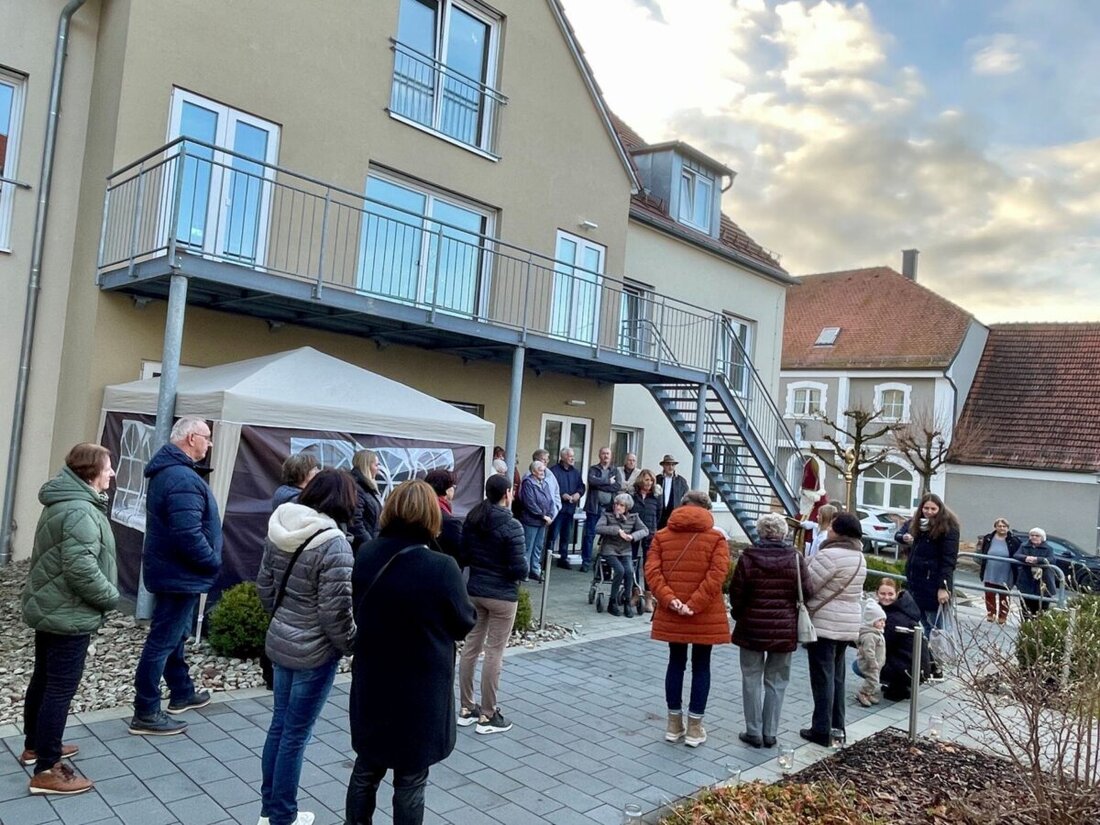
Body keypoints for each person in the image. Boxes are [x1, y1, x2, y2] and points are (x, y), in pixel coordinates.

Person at [346, 481, 476, 825]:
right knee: (410, 776)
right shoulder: (441, 566)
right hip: (421, 686)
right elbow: (464, 622)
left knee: (367, 766)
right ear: (432, 515)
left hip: (374, 675)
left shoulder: (368, 553)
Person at [256, 470, 356, 825]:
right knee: (295, 735)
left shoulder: (280, 524)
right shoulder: (334, 543)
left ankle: (270, 810)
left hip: (281, 640)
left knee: (280, 726)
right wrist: (349, 645)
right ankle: (283, 815)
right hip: (315, 652)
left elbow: (264, 586)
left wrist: (283, 619)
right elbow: (336, 611)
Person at [21, 444, 120, 795]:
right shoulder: (80, 510)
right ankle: (48, 768)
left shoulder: (65, 501)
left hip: (52, 605)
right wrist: (111, 598)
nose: (111, 474)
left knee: (44, 678)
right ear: (92, 472)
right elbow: (80, 568)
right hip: (68, 610)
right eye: (108, 468)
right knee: (59, 687)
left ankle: (35, 745)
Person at [131, 416, 221, 736]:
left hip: (172, 571)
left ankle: (181, 691)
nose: (209, 444)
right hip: (179, 573)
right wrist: (211, 561)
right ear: (191, 438)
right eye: (207, 437)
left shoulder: (171, 472)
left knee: (174, 634)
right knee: (163, 639)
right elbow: (187, 533)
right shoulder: (181, 477)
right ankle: (146, 710)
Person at [645, 491, 730, 748]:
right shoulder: (717, 538)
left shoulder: (661, 536)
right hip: (703, 613)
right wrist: (693, 605)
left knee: (676, 663)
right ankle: (694, 728)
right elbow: (718, 576)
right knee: (702, 666)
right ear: (706, 510)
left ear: (682, 507)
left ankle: (673, 725)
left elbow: (652, 572)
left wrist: (671, 601)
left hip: (672, 612)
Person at [728, 512, 806, 749]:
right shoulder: (795, 558)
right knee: (777, 680)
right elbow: (808, 591)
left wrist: (738, 614)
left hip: (752, 626)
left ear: (760, 533)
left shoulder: (748, 557)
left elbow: (736, 592)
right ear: (783, 534)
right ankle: (770, 732)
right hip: (784, 628)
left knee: (751, 678)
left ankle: (753, 731)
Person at [457, 474, 527, 734]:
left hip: (475, 590)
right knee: (494, 652)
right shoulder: (512, 526)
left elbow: (463, 555)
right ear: (507, 493)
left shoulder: (473, 520)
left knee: (471, 647)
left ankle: (466, 707)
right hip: (502, 595)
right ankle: (488, 714)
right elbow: (520, 568)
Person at [800, 511, 865, 748]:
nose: (827, 529)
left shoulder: (830, 555)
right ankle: (838, 727)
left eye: (832, 527)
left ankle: (821, 729)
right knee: (838, 678)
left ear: (839, 531)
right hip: (847, 624)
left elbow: (809, 586)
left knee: (822, 679)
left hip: (825, 624)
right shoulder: (859, 556)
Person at [895, 493, 960, 639]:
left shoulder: (949, 527)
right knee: (922, 623)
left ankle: (937, 658)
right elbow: (899, 534)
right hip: (916, 581)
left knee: (936, 628)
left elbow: (949, 560)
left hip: (934, 583)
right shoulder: (917, 523)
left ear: (940, 508)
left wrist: (944, 587)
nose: (929, 512)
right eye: (926, 508)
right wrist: (904, 537)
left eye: (933, 509)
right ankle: (925, 657)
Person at [595, 493, 648, 617]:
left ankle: (626, 602)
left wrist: (633, 536)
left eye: (621, 505)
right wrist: (617, 530)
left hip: (625, 550)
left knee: (629, 572)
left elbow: (644, 530)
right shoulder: (607, 515)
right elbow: (598, 528)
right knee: (620, 570)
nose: (617, 507)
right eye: (616, 504)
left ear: (627, 508)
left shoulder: (634, 517)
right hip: (609, 549)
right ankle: (612, 602)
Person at [877, 578, 930, 702]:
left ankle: (898, 686)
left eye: (890, 594)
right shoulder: (906, 608)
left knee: (860, 664)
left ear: (897, 593)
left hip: (909, 670)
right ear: (876, 593)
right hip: (916, 667)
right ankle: (897, 685)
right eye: (883, 594)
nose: (886, 597)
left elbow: (883, 644)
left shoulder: (895, 617)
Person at [580, 447, 622, 572]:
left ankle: (602, 564)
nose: (606, 456)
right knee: (589, 535)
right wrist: (607, 482)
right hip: (594, 507)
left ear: (611, 456)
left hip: (609, 509)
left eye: (608, 454)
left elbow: (617, 486)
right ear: (599, 455)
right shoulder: (593, 469)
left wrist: (602, 486)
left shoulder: (614, 470)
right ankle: (586, 563)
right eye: (603, 453)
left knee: (607, 537)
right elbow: (592, 481)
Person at [978, 518, 1021, 624]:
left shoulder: (1014, 540)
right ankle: (991, 614)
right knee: (989, 593)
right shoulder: (988, 538)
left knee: (1004, 595)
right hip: (990, 569)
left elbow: (1018, 554)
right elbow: (982, 551)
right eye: (999, 526)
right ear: (995, 527)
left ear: (1007, 528)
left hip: (1006, 571)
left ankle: (1002, 616)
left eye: (1004, 526)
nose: (1002, 528)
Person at [517, 460, 554, 582]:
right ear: (533, 471)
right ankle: (525, 572)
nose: (543, 472)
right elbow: (530, 503)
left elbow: (550, 500)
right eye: (540, 470)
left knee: (538, 547)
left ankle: (535, 570)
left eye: (543, 470)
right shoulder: (528, 483)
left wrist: (550, 515)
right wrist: (543, 515)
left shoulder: (544, 483)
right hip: (531, 520)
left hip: (543, 522)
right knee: (528, 547)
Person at [548, 448, 584, 570]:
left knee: (566, 536)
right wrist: (562, 494)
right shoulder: (553, 471)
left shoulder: (576, 472)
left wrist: (578, 494)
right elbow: (550, 488)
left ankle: (563, 559)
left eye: (573, 456)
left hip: (570, 509)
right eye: (569, 456)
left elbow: (581, 486)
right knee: (552, 535)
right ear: (563, 457)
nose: (572, 458)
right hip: (558, 509)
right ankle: (546, 560)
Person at [631, 470, 662, 601]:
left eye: (651, 480)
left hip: (650, 534)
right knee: (633, 563)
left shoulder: (656, 497)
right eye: (646, 480)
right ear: (640, 480)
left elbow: (659, 515)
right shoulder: (633, 495)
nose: (649, 483)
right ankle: (635, 592)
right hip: (634, 533)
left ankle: (649, 596)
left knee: (648, 565)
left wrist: (653, 528)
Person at [1015, 527, 1056, 619]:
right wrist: (1026, 558)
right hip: (1026, 581)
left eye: (1037, 536)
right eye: (1032, 535)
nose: (1034, 537)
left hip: (1044, 582)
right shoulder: (1024, 546)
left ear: (1042, 537)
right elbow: (1016, 555)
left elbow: (1052, 559)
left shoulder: (1048, 548)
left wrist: (1037, 559)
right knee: (1026, 608)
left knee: (1041, 610)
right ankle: (1026, 627)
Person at [424, 468, 463, 562]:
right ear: (446, 490)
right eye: (453, 486)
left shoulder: (420, 511)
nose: (454, 489)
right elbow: (461, 554)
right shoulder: (450, 522)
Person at [854, 600, 887, 707]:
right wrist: (872, 663)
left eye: (883, 620)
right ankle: (863, 693)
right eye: (879, 620)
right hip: (870, 664)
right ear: (871, 621)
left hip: (876, 663)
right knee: (873, 680)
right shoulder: (870, 635)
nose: (882, 623)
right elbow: (869, 651)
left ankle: (869, 694)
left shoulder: (877, 633)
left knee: (874, 679)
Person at [348, 450, 383, 550]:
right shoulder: (358, 488)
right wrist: (371, 545)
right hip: (363, 547)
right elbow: (356, 522)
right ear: (367, 466)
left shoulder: (365, 487)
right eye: (376, 465)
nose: (378, 470)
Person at [657, 455, 688, 529]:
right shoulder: (657, 479)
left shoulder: (681, 481)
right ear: (663, 466)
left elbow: (686, 497)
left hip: (674, 513)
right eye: (668, 464)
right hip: (659, 513)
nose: (670, 467)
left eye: (673, 465)